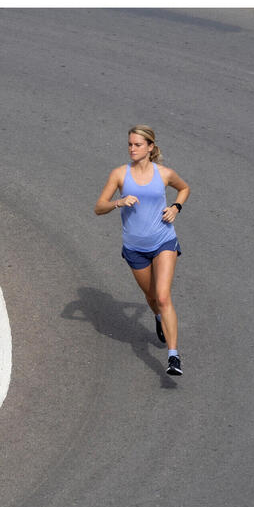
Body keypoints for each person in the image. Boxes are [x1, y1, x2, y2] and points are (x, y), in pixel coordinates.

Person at [95, 125, 190, 375]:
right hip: (135, 248)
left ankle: (173, 356)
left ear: (150, 147)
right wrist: (119, 201)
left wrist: (176, 207)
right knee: (150, 298)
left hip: (164, 241)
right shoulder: (119, 175)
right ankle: (159, 318)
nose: (132, 149)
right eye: (130, 144)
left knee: (162, 296)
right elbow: (99, 207)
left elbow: (184, 188)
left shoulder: (165, 174)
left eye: (137, 144)